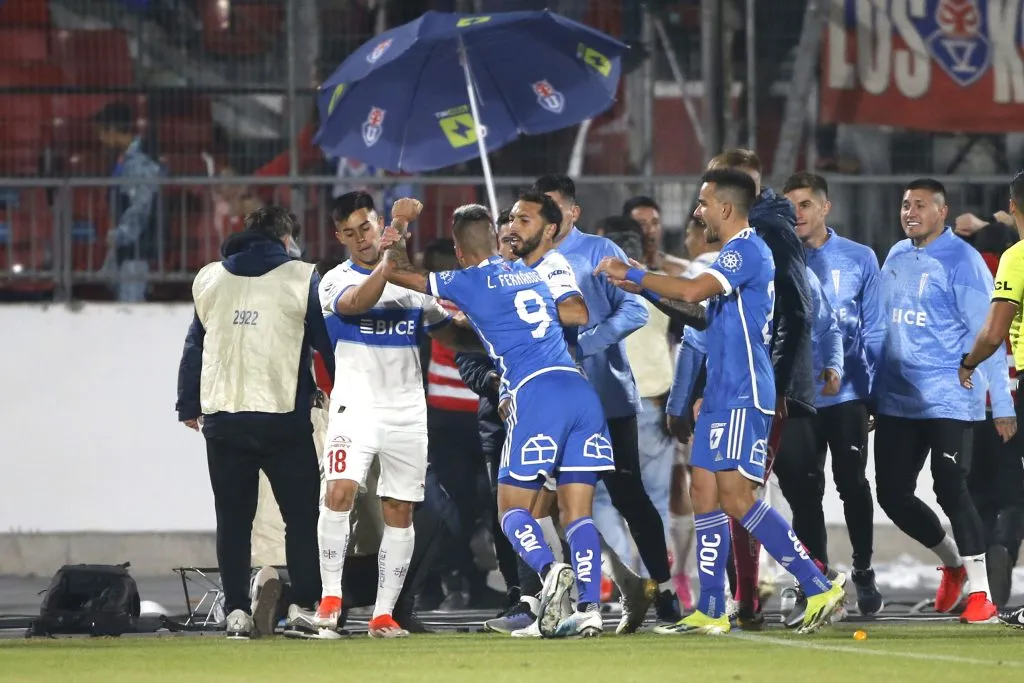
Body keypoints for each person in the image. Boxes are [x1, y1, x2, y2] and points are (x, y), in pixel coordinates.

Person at [595, 168, 846, 636]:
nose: (697, 211)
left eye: (703, 203)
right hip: (718, 394)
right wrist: (644, 286)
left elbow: (691, 291)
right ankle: (711, 607)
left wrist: (630, 272)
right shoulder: (731, 255)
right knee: (703, 494)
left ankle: (817, 583)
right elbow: (699, 315)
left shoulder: (748, 249)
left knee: (735, 496)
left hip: (744, 391)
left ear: (726, 208)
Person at [381, 201, 613, 638]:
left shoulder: (467, 280)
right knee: (578, 513)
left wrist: (398, 228)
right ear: (497, 239)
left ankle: (549, 573)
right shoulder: (533, 270)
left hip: (535, 396)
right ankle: (590, 609)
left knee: (510, 512)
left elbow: (396, 272)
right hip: (580, 391)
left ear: (459, 251)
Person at [313, 192, 480, 638]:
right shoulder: (333, 281)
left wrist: (489, 321)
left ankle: (383, 614)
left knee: (399, 509)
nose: (359, 239)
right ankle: (330, 599)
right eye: (349, 233)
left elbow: (453, 338)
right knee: (341, 492)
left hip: (407, 409)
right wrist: (393, 256)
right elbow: (356, 305)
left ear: (376, 223)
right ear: (338, 236)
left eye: (365, 229)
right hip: (355, 407)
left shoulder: (411, 287)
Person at [175, 206, 333, 640]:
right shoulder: (302, 277)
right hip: (283, 417)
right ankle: (303, 603)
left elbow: (196, 345)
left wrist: (188, 404)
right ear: (286, 239)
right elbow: (324, 343)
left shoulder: (209, 278)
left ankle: (237, 612)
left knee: (233, 520)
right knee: (301, 518)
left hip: (224, 417)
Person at [533, 174, 680, 629]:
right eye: (543, 211)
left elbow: (635, 309)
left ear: (573, 212)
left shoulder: (600, 251)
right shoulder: (527, 258)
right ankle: (576, 595)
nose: (550, 220)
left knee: (628, 495)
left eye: (556, 210)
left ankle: (665, 590)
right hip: (554, 400)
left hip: (608, 396)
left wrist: (586, 343)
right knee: (553, 506)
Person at [876, 178, 1014, 624]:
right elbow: (882, 326)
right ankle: (953, 563)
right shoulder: (895, 256)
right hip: (898, 399)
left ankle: (981, 595)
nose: (909, 212)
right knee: (893, 495)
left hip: (952, 397)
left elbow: (987, 335)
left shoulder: (965, 261)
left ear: (942, 211)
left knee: (950, 486)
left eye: (920, 205)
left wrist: (1004, 405)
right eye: (904, 204)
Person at [703, 149, 817, 627]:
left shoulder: (764, 234)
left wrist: (777, 383)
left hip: (760, 389)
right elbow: (708, 318)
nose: (703, 204)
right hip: (736, 387)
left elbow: (797, 307)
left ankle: (814, 585)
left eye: (710, 194)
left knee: (745, 495)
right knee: (727, 493)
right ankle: (735, 601)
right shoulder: (745, 238)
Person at [781, 172, 885, 618]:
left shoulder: (860, 258)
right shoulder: (777, 259)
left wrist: (876, 392)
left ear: (826, 208)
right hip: (799, 398)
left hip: (848, 395)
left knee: (852, 483)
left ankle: (862, 569)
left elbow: (876, 327)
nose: (797, 215)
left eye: (805, 205)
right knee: (804, 492)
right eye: (790, 208)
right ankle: (817, 577)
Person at [956, 170, 1024, 626]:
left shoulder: (1016, 258)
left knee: (987, 485)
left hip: (1012, 385)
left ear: (1013, 205)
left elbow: (994, 331)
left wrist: (967, 362)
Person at [94, 102, 163, 303]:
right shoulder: (124, 160)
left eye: (102, 132)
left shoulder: (139, 163)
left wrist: (119, 235)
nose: (101, 138)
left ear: (114, 130)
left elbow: (140, 207)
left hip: (137, 250)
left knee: (130, 307)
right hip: (127, 250)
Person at [623, 195, 688, 276]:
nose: (651, 230)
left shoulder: (683, 268)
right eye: (642, 224)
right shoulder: (620, 269)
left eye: (655, 223)